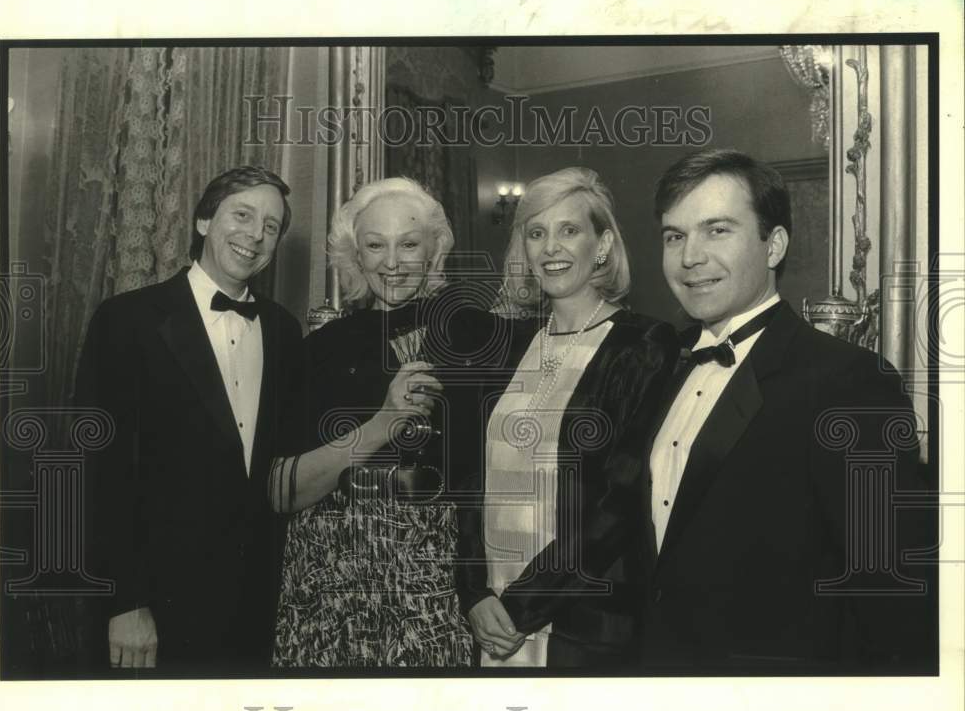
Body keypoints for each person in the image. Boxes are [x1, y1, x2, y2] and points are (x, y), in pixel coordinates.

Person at [642, 148, 937, 674]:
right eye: (675, 236)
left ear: (773, 244)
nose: (690, 257)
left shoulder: (848, 381)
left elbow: (890, 592)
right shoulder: (661, 364)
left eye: (717, 231)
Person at [75, 166, 303, 674]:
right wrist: (124, 600)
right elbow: (97, 472)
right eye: (242, 215)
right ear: (204, 220)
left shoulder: (285, 330)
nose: (256, 235)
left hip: (256, 607)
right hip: (154, 606)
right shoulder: (127, 321)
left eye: (271, 226)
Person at [269, 177, 499, 668]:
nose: (392, 262)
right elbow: (280, 490)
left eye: (409, 244)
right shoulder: (318, 350)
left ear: (435, 251)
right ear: (355, 255)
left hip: (435, 582)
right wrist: (383, 423)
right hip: (327, 579)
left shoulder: (477, 336)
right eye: (375, 245)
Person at [458, 167, 679, 668]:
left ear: (602, 245)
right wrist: (473, 592)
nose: (551, 247)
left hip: (580, 620)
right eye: (536, 233)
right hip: (491, 617)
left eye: (569, 230)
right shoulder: (508, 345)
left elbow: (619, 500)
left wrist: (521, 606)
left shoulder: (643, 344)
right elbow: (474, 480)